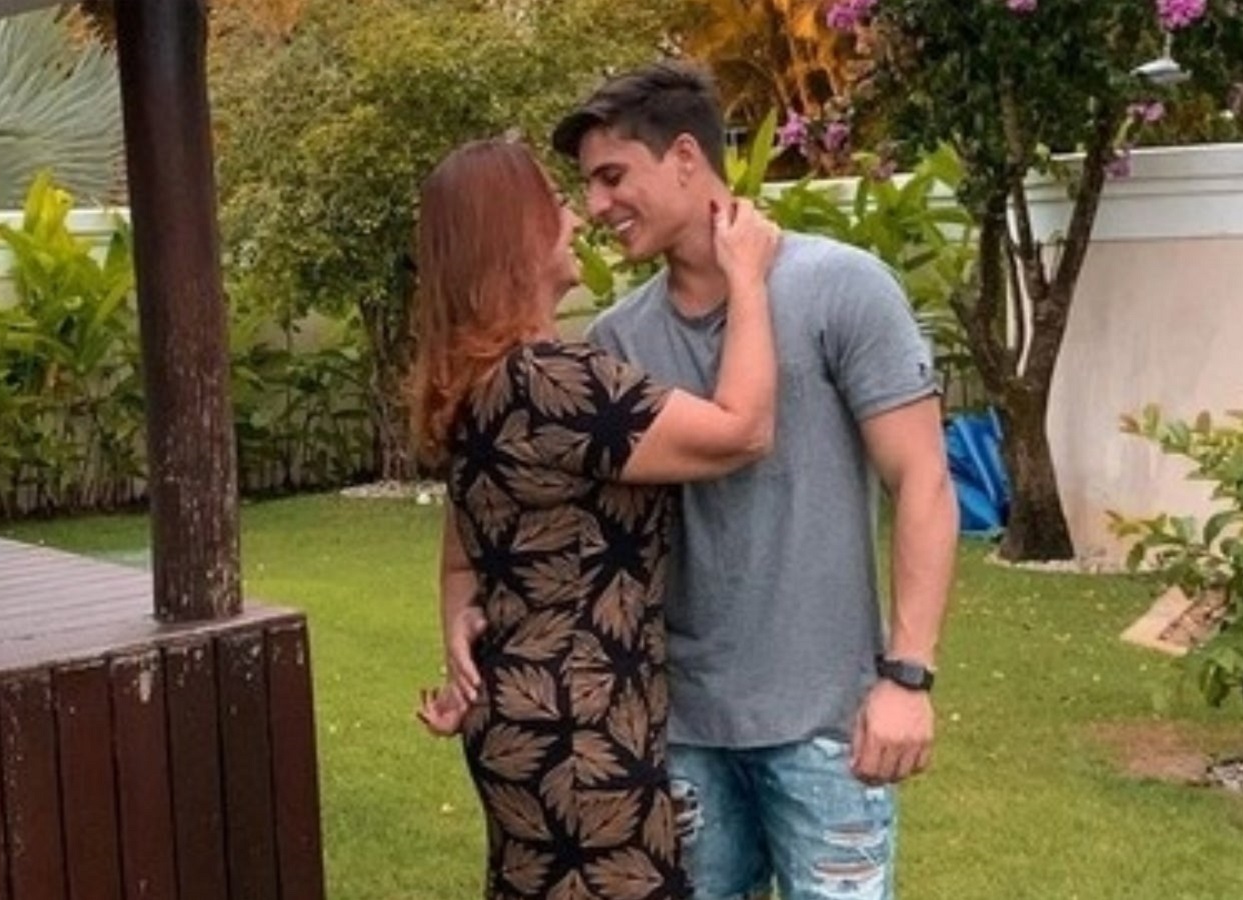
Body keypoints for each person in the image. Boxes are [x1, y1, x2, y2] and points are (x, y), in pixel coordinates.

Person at [542, 62, 960, 899]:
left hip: (827, 729)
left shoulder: (839, 287)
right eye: (588, 185)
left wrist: (907, 675)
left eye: (612, 176)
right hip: (680, 730)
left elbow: (922, 480)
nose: (596, 205)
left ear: (684, 157)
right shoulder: (619, 340)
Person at [407, 138, 782, 899]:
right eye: (556, 205)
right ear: (515, 233)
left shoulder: (474, 384)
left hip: (514, 718)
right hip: (585, 734)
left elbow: (459, 559)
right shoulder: (556, 381)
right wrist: (746, 277)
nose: (577, 219)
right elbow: (743, 431)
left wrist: (459, 646)